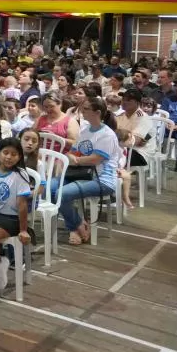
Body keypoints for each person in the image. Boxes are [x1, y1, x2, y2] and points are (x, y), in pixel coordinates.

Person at [50, 97, 121, 244]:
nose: (82, 111)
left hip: (101, 179)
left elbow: (96, 159)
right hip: (80, 173)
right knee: (48, 188)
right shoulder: (84, 129)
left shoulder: (107, 135)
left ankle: (74, 227)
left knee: (62, 193)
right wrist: (70, 156)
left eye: (86, 109)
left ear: (97, 112)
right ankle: (77, 224)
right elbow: (75, 150)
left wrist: (75, 160)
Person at [0, 138, 32, 293]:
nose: (9, 157)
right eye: (5, 153)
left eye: (14, 154)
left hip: (11, 219)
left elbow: (22, 205)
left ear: (20, 157)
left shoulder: (21, 175)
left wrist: (23, 230)